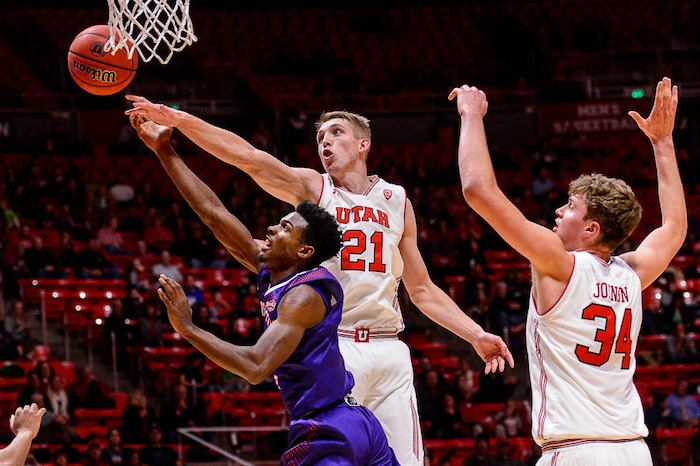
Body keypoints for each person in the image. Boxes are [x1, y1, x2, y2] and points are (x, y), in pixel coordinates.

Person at [126, 95, 513, 466]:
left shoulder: (397, 199)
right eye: (320, 137)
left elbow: (423, 289)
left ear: (364, 144)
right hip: (335, 345)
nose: (325, 140)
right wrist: (179, 120)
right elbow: (247, 158)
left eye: (335, 132)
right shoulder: (314, 188)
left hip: (389, 346)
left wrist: (474, 333)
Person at [130, 114, 399, 465]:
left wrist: (188, 328)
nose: (272, 228)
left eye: (285, 227)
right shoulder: (274, 269)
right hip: (358, 421)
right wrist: (165, 151)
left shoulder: (303, 297)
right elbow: (212, 212)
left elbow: (256, 366)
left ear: (305, 251)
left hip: (327, 428)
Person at [450, 77, 686, 465]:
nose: (559, 212)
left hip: (577, 450)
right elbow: (674, 228)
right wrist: (662, 143)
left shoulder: (557, 263)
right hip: (633, 451)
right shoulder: (631, 275)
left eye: (570, 206)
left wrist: (471, 114)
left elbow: (477, 189)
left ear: (592, 229)